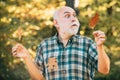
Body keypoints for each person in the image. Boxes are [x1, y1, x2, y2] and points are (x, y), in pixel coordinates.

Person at [12, 6, 110, 80]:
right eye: (67, 16)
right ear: (56, 23)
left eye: (74, 16)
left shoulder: (87, 43)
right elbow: (38, 78)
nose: (73, 18)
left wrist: (100, 46)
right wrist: (26, 57)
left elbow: (105, 70)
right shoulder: (45, 46)